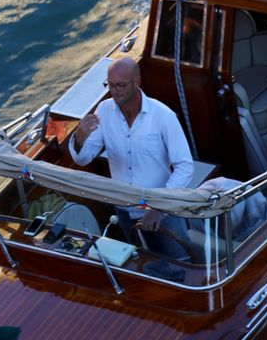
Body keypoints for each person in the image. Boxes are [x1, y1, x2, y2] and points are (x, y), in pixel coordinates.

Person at [69, 57, 194, 259]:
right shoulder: (103, 111)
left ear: (137, 82)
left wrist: (159, 207)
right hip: (124, 210)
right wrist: (79, 139)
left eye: (120, 85)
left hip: (163, 213)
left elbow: (185, 166)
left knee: (181, 262)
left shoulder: (163, 116)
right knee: (140, 263)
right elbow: (84, 159)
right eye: (110, 85)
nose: (114, 91)